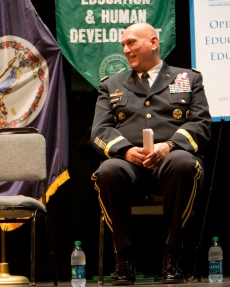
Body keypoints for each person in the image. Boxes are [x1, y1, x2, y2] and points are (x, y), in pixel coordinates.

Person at [90, 23, 211, 285]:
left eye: (131, 42)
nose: (125, 50)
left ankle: (172, 254)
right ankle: (123, 255)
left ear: (153, 42)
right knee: (108, 170)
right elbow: (99, 131)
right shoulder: (112, 85)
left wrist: (169, 145)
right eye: (123, 45)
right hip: (129, 166)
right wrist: (126, 150)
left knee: (181, 163)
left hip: (171, 161)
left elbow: (201, 124)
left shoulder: (187, 79)